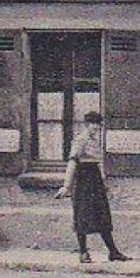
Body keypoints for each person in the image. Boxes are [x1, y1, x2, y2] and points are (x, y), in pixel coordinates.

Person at [54, 112, 130, 264]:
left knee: (102, 215)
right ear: (86, 124)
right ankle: (83, 253)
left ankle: (113, 252)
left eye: (98, 124)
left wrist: (104, 182)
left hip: (95, 180)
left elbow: (98, 163)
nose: (96, 127)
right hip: (83, 180)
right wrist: (66, 186)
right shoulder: (80, 140)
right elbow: (72, 163)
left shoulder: (95, 141)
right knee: (82, 215)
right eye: (93, 124)